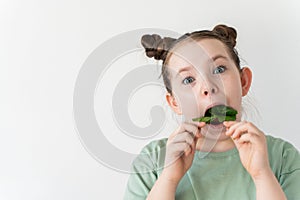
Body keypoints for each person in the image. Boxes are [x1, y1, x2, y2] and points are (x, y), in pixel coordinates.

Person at [124, 24, 300, 200]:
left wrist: (262, 175)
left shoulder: (283, 158)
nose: (208, 87)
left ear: (243, 81)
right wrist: (168, 179)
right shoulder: (151, 162)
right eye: (188, 79)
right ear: (175, 102)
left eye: (219, 69)